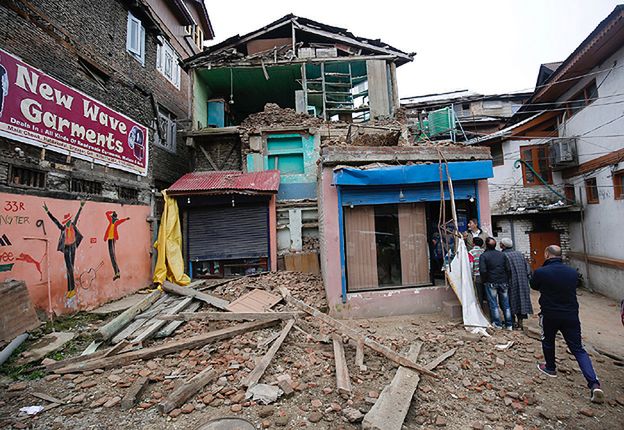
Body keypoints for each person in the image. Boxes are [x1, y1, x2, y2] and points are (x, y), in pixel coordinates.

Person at [530, 245, 604, 404]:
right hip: (570, 314)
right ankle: (594, 383)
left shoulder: (541, 272)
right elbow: (575, 285)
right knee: (578, 349)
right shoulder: (572, 272)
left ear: (547, 254)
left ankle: (550, 367)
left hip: (549, 313)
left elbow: (534, 286)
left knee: (548, 341)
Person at [44, 201, 85, 299]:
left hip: (73, 246)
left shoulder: (73, 225)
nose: (69, 222)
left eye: (69, 220)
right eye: (67, 221)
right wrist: (47, 212)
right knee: (69, 269)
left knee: (71, 268)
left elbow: (77, 217)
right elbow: (55, 221)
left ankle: (71, 290)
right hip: (66, 248)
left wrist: (81, 207)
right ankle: (71, 290)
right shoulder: (63, 228)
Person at [479, 237, 512, 329]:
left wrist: (484, 280)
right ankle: (509, 324)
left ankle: (497, 324)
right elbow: (508, 269)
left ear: (486, 245)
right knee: (506, 304)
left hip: (491, 282)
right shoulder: (502, 255)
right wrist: (507, 279)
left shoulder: (484, 256)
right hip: (503, 281)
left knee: (494, 304)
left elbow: (483, 270)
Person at [500, 238, 533, 329]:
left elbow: (504, 270)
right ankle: (520, 321)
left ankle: (512, 321)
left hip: (511, 282)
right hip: (522, 282)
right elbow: (528, 269)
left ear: (503, 245)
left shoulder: (503, 255)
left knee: (510, 301)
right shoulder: (519, 254)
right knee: (521, 300)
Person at [104, 211, 130, 280]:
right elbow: (106, 213)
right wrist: (112, 211)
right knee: (111, 255)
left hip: (112, 239)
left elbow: (121, 221)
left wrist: (126, 219)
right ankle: (116, 272)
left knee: (113, 255)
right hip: (109, 239)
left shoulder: (115, 222)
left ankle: (117, 272)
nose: (113, 220)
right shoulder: (111, 221)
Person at [468, 237, 485, 308]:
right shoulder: (484, 251)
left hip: (477, 275)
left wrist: (471, 275)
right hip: (486, 275)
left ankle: (480, 309)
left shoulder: (471, 252)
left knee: (478, 294)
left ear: (473, 243)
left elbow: (471, 265)